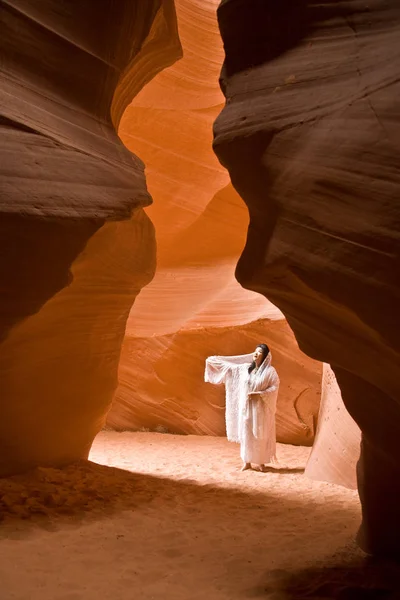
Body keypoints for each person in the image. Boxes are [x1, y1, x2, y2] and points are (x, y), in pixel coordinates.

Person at [205, 344, 279, 471]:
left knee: (260, 434)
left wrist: (259, 394)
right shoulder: (245, 369)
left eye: (260, 352)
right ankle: (247, 462)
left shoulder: (270, 371)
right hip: (245, 408)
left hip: (260, 409)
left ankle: (261, 463)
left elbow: (274, 387)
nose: (256, 353)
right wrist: (212, 360)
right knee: (246, 434)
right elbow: (228, 368)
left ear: (265, 356)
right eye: (255, 351)